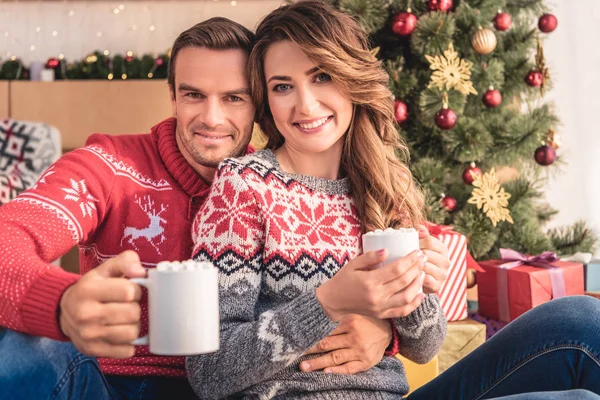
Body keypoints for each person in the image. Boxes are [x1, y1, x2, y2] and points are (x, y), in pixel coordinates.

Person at [186, 1, 600, 399]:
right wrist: (328, 302)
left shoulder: (385, 184)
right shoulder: (243, 187)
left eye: (322, 76)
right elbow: (208, 371)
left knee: (580, 320)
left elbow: (425, 346)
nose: (306, 104)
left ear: (352, 78)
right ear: (267, 100)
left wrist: (414, 291)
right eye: (283, 87)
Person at [0, 17, 412, 400]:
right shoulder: (108, 164)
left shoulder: (274, 186)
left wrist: (384, 332)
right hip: (108, 381)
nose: (212, 118)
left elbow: (350, 282)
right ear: (173, 97)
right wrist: (60, 304)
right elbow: (8, 238)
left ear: (259, 105)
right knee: (24, 345)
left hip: (234, 388)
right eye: (194, 95)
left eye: (234, 98)